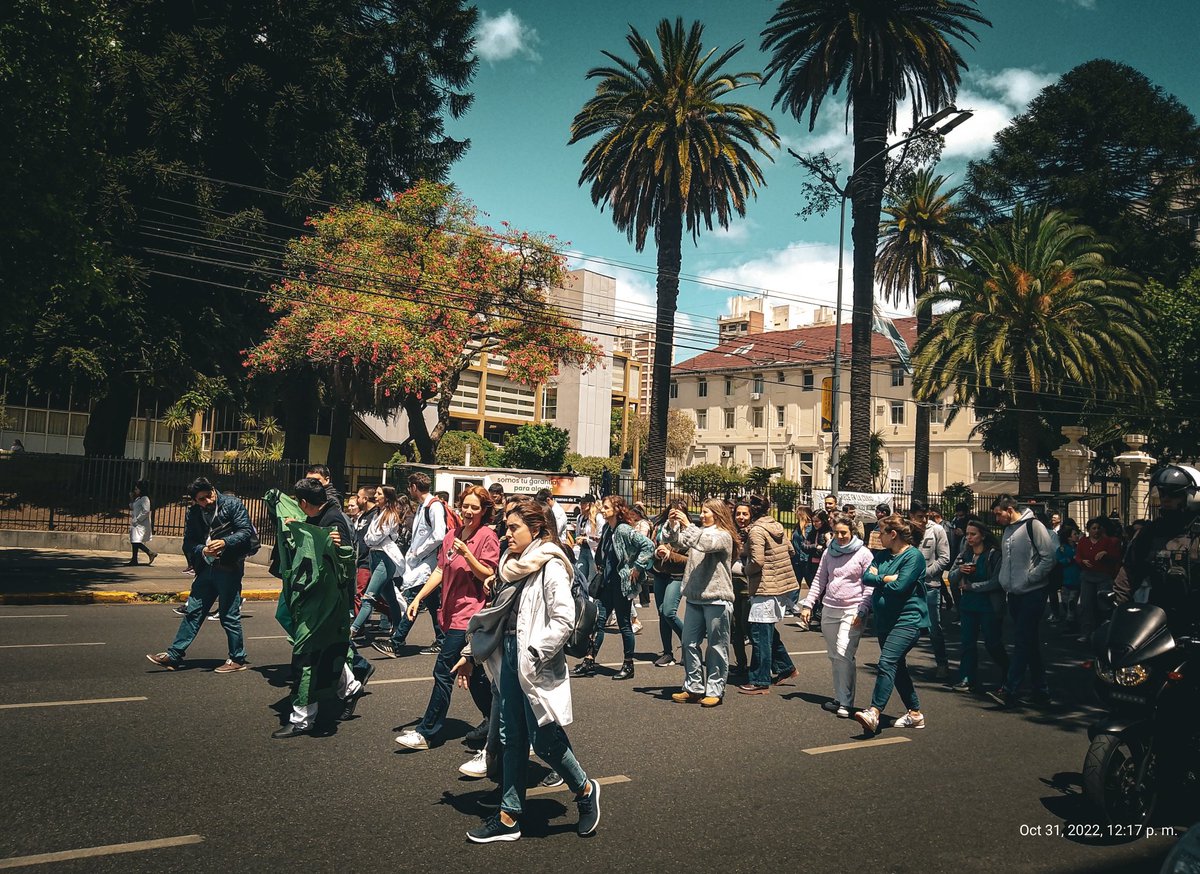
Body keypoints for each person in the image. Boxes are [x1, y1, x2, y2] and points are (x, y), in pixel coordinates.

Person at [454, 498, 601, 843]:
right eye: (506, 527)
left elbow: (563, 618)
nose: (507, 534)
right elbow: (496, 615)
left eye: (514, 527)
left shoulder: (550, 564)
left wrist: (535, 653)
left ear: (536, 529)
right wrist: (470, 653)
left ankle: (584, 790)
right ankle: (509, 815)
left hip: (534, 660)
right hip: (507, 657)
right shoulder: (510, 564)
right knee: (511, 737)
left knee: (544, 740)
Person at [396, 486, 499, 750]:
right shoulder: (451, 535)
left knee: (443, 669)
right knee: (472, 671)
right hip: (450, 612)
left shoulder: (487, 536)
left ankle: (427, 732)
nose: (469, 511)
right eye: (466, 506)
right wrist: (418, 598)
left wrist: (467, 554)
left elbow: (488, 574)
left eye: (475, 507)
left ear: (484, 511)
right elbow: (440, 570)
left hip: (470, 614)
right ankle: (497, 720)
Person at [271, 477, 366, 738]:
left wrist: (336, 546)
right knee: (324, 652)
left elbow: (346, 563)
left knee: (306, 657)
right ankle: (350, 687)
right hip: (320, 602)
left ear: (304, 502)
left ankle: (302, 718)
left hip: (325, 604)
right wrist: (300, 526)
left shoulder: (333, 521)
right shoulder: (321, 517)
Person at [146, 477, 254, 672]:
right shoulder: (194, 512)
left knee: (228, 615)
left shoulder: (232, 504)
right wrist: (203, 550)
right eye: (202, 499)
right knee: (193, 611)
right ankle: (174, 655)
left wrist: (225, 542)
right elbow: (188, 542)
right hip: (206, 568)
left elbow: (245, 531)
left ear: (213, 489)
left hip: (229, 567)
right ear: (195, 500)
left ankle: (237, 658)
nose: (208, 501)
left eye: (209, 495)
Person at [855, 515, 930, 735]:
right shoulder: (882, 555)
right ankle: (915, 714)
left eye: (881, 532)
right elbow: (866, 578)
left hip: (907, 620)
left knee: (887, 661)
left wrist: (880, 578)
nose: (878, 536)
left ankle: (874, 712)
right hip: (885, 621)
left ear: (893, 534)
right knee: (897, 666)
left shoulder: (913, 557)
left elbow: (901, 587)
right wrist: (888, 578)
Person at [572, 495, 653, 680]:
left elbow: (648, 545)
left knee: (624, 624)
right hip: (607, 583)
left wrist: (637, 567)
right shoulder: (609, 528)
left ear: (617, 510)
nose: (602, 509)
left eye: (607, 507)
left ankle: (628, 664)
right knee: (598, 622)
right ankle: (589, 660)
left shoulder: (623, 529)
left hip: (621, 583)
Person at [987, 495, 1057, 707]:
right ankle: (1041, 690)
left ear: (1009, 509)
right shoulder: (1008, 530)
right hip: (1015, 593)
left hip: (1032, 593)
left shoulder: (1033, 526)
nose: (997, 518)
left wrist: (1030, 577)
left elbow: (1049, 557)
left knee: (1022, 641)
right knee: (1029, 642)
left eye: (998, 514)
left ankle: (1010, 689)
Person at [800, 512, 873, 717]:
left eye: (844, 533)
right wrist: (808, 604)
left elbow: (870, 585)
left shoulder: (864, 553)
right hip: (830, 608)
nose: (840, 537)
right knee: (834, 656)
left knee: (843, 652)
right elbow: (819, 580)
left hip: (853, 609)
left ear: (852, 532)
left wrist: (863, 609)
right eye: (836, 533)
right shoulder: (828, 552)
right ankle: (839, 697)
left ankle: (846, 702)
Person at [668, 499, 739, 708]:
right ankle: (693, 687)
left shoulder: (723, 536)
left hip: (717, 597)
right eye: (701, 511)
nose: (701, 515)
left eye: (705, 512)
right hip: (695, 597)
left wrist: (687, 523)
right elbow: (676, 542)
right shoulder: (699, 532)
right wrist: (673, 525)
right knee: (688, 643)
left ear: (717, 514)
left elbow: (705, 544)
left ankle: (715, 689)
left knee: (717, 646)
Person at [1115, 465, 1200, 629]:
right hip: (1157, 617)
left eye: (1173, 494)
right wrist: (1118, 607)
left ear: (1193, 496)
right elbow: (1129, 573)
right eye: (1162, 493)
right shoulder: (1149, 533)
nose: (1165, 499)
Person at [738, 494, 800, 695]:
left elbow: (757, 561)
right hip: (780, 585)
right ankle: (785, 667)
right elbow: (790, 550)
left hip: (765, 587)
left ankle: (760, 679)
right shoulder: (777, 526)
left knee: (759, 635)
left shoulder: (757, 530)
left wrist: (744, 570)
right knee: (766, 632)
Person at [948, 520, 1008, 693]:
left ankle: (1008, 672)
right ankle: (967, 678)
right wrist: (960, 570)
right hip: (968, 605)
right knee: (967, 642)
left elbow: (997, 582)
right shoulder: (965, 554)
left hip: (989, 605)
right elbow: (951, 577)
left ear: (983, 535)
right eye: (967, 534)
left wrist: (972, 586)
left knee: (992, 643)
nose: (969, 537)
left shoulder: (994, 555)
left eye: (973, 534)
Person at [394, 472, 448, 653]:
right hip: (421, 561)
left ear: (414, 487)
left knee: (413, 598)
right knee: (432, 603)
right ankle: (442, 639)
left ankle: (396, 641)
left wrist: (419, 551)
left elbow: (439, 535)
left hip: (429, 562)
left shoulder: (434, 506)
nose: (409, 490)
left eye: (409, 487)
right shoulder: (422, 507)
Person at [354, 487, 407, 649]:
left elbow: (374, 538)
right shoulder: (378, 514)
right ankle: (398, 630)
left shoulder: (390, 515)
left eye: (379, 494)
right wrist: (370, 539)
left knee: (368, 597)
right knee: (390, 598)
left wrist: (370, 539)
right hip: (374, 556)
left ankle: (353, 630)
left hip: (385, 557)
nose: (375, 496)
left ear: (387, 497)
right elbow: (368, 537)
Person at [908, 500, 951, 679]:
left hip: (930, 586)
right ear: (911, 515)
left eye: (926, 516)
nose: (924, 520)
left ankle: (942, 663)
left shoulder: (937, 530)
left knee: (934, 628)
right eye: (920, 517)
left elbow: (944, 558)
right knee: (906, 625)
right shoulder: (905, 530)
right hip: (908, 585)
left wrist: (925, 573)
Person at [649, 500, 689, 667]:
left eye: (679, 512)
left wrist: (669, 554)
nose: (675, 515)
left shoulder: (689, 532)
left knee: (668, 612)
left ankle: (689, 645)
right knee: (661, 613)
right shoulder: (660, 528)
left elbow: (691, 560)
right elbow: (650, 547)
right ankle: (667, 653)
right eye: (672, 512)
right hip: (660, 573)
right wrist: (657, 553)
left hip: (677, 575)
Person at [1075, 516, 1122, 643]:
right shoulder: (1083, 541)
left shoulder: (1107, 541)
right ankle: (1086, 632)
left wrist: (1106, 554)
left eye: (1098, 528)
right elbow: (1077, 556)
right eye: (1093, 528)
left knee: (1104, 605)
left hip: (1103, 576)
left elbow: (1115, 557)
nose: (1096, 531)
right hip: (1087, 576)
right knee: (1086, 605)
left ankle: (1104, 632)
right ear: (1088, 530)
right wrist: (1082, 561)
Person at [728, 500, 753, 678]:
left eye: (745, 514)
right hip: (731, 585)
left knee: (748, 627)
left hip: (748, 585)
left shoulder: (755, 532)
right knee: (735, 628)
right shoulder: (730, 532)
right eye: (738, 514)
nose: (741, 517)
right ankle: (741, 664)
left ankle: (760, 666)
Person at [350, 487, 379, 615]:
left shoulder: (376, 515)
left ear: (365, 499)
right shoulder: (363, 516)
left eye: (358, 497)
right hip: (360, 560)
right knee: (369, 595)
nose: (357, 499)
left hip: (369, 561)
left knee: (360, 594)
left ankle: (358, 625)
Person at [1056, 521, 1082, 632]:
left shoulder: (1079, 548)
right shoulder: (1062, 549)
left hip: (1076, 579)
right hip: (1065, 579)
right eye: (1074, 534)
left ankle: (1070, 621)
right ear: (1069, 538)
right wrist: (1071, 559)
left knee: (1072, 602)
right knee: (1065, 602)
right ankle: (1070, 619)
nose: (1077, 536)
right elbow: (1060, 560)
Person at [126, 480, 158, 566]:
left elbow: (146, 510)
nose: (135, 491)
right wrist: (131, 498)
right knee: (134, 541)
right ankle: (137, 558)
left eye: (137, 489)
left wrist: (138, 519)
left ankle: (148, 553)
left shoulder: (145, 499)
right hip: (136, 523)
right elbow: (132, 507)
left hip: (141, 524)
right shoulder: (138, 499)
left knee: (136, 541)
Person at [573, 494, 600, 590]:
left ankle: (592, 598)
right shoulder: (580, 518)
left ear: (591, 504)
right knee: (580, 576)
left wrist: (586, 539)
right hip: (582, 550)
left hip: (593, 551)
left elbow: (600, 536)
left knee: (592, 578)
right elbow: (578, 533)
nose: (581, 505)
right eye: (581, 503)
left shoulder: (598, 517)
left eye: (584, 503)